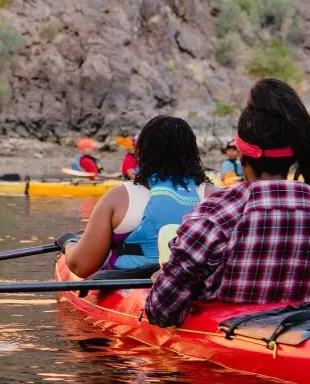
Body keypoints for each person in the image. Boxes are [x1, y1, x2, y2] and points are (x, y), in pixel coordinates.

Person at [145, 79, 310, 327]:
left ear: (243, 156)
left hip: (229, 358)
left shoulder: (214, 215)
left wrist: (162, 279)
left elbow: (161, 310)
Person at [58, 116, 217, 276]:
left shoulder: (119, 196)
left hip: (132, 286)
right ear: (193, 152)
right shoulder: (216, 195)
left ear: (142, 151)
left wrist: (69, 243)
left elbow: (81, 267)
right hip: (198, 286)